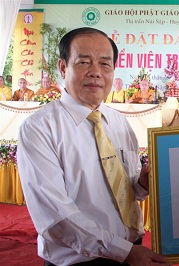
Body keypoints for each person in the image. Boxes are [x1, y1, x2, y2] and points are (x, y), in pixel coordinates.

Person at [17, 27, 169, 266]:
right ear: (63, 67)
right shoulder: (40, 128)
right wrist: (124, 252)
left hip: (131, 252)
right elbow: (57, 218)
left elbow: (126, 191)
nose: (96, 73)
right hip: (81, 261)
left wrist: (141, 184)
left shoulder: (119, 122)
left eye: (105, 64)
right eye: (84, 62)